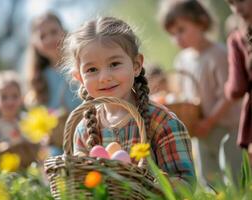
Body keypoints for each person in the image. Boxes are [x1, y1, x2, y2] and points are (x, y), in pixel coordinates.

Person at [62, 16, 196, 189]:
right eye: (92, 69)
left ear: (136, 65)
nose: (104, 77)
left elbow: (187, 185)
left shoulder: (162, 122)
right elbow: (81, 186)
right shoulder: (83, 130)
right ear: (79, 78)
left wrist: (147, 186)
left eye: (114, 64)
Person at [160, 0, 242, 184]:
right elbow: (183, 94)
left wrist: (210, 120)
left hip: (226, 127)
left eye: (181, 30)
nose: (177, 38)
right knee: (209, 178)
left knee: (235, 176)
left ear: (201, 22)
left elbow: (229, 94)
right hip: (200, 130)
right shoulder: (181, 60)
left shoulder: (218, 54)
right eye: (172, 34)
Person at [24, 12, 81, 155]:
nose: (49, 38)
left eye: (54, 32)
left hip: (90, 135)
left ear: (64, 32)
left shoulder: (81, 64)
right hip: (60, 150)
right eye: (42, 36)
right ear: (35, 44)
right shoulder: (38, 80)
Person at [0, 70, 39, 168]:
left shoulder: (27, 120)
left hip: (27, 173)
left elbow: (37, 146)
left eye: (15, 96)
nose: (10, 102)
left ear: (22, 98)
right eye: (4, 97)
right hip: (1, 174)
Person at [224, 0, 252, 160]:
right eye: (231, 3)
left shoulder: (237, 39)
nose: (237, 8)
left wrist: (227, 89)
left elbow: (237, 88)